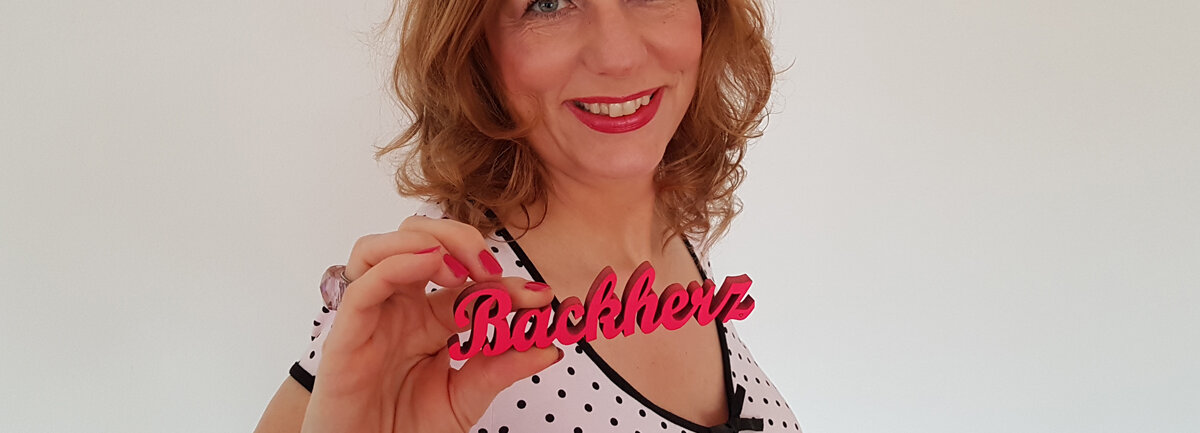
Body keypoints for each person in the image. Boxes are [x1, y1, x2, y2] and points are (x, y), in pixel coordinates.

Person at [255, 0, 800, 432]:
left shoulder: (677, 226)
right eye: (548, 2)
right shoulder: (422, 300)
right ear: (476, 46)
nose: (618, 56)